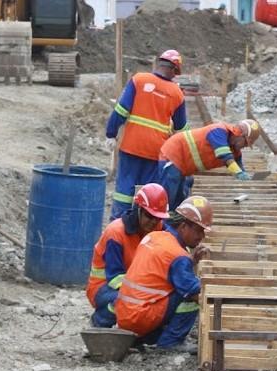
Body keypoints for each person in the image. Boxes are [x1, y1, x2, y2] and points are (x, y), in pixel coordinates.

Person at [115, 196, 213, 354]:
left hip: (125, 317)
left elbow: (162, 272)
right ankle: (171, 342)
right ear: (183, 226)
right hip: (140, 318)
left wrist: (191, 261)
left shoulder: (154, 236)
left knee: (182, 288)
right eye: (199, 230)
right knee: (193, 295)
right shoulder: (177, 255)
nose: (202, 237)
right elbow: (196, 293)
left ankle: (146, 337)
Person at [106, 50, 188, 220]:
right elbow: (181, 125)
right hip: (155, 152)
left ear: (159, 64)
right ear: (174, 70)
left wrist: (110, 133)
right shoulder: (177, 93)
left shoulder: (139, 80)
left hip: (131, 146)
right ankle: (143, 224)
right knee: (148, 190)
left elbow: (121, 111)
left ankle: (118, 222)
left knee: (124, 189)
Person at [87, 184, 170, 328]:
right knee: (128, 300)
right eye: (150, 216)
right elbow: (115, 278)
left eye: (158, 218)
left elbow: (175, 242)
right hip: (103, 287)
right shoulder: (116, 234)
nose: (154, 222)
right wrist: (144, 292)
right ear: (138, 210)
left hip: (135, 286)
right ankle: (101, 322)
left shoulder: (158, 227)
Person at [158, 120, 261, 209]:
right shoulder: (218, 131)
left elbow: (238, 166)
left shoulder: (235, 151)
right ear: (239, 134)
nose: (246, 146)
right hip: (173, 154)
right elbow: (225, 155)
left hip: (184, 167)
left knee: (179, 199)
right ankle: (163, 220)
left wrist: (245, 175)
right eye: (246, 143)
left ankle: (173, 219)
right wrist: (238, 172)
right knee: (168, 197)